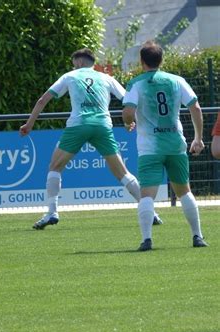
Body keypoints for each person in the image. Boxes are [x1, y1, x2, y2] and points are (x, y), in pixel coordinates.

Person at [20, 48, 162, 230]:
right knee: (123, 173)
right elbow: (128, 100)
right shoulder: (106, 77)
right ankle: (150, 212)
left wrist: (29, 124)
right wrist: (129, 122)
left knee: (55, 167)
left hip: (78, 125)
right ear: (92, 62)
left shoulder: (69, 76)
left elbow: (42, 100)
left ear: (78, 63)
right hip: (102, 126)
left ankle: (52, 212)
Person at [122, 40, 208, 251]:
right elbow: (195, 107)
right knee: (184, 191)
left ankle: (147, 240)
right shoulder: (176, 80)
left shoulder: (136, 83)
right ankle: (197, 236)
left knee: (147, 195)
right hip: (175, 145)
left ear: (142, 61)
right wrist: (198, 138)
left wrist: (128, 123)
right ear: (161, 60)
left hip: (150, 148)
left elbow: (127, 111)